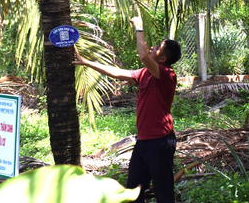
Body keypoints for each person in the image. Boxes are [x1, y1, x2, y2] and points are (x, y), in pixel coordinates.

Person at [73, 16, 181, 203]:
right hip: (144, 142)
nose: (153, 47)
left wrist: (139, 27)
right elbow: (116, 72)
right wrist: (86, 62)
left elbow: (143, 56)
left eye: (158, 47)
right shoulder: (144, 73)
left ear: (163, 58)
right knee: (132, 192)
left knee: (164, 194)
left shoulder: (166, 74)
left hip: (161, 142)